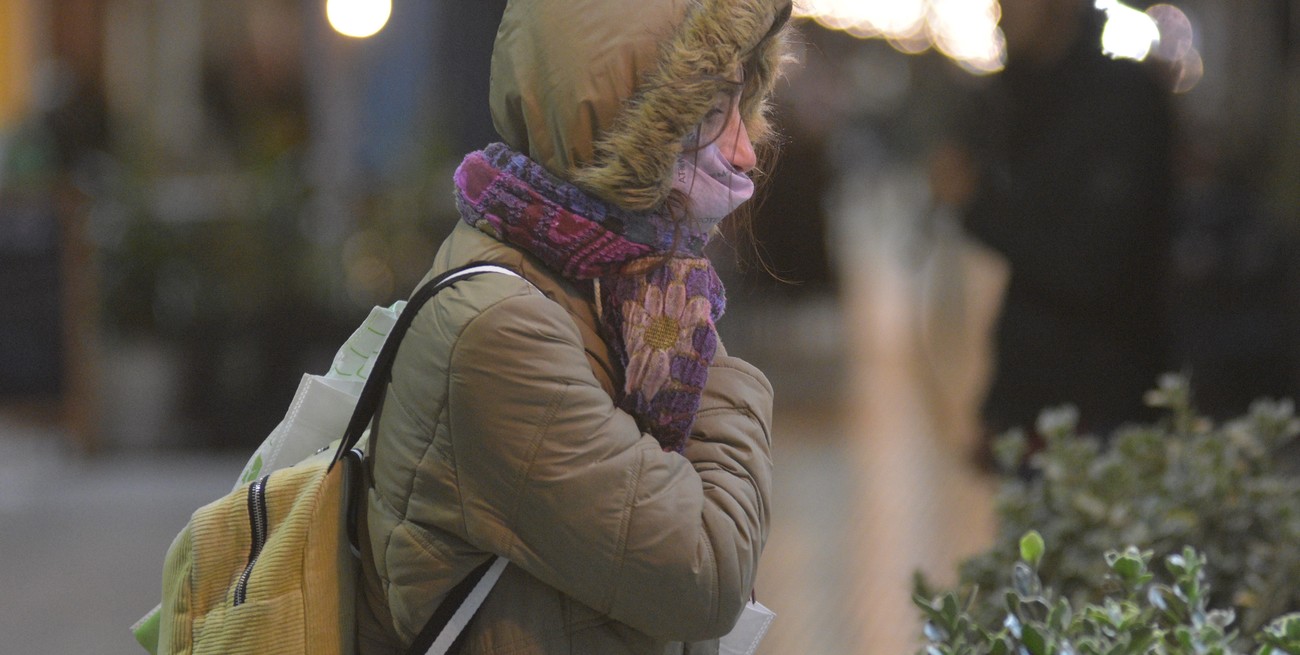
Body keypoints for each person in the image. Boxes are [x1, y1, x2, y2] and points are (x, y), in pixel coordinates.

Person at [355, 1, 794, 653]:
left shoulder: (606, 281)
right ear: (622, 121)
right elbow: (706, 573)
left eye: (741, 105)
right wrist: (722, 377)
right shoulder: (501, 330)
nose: (743, 149)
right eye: (709, 113)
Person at [935, 0, 1174, 448]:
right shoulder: (1019, 98)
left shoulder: (1118, 102)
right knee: (1027, 523)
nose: (1002, 14)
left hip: (1104, 407)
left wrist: (975, 203)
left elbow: (1085, 260)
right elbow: (1027, 290)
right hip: (1031, 408)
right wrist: (997, 410)